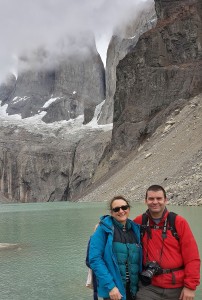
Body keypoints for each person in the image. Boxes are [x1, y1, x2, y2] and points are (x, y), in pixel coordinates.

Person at [134, 184, 201, 300]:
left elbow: (192, 257)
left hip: (177, 287)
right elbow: (121, 228)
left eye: (159, 198)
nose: (155, 202)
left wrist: (190, 287)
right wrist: (103, 226)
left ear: (165, 200)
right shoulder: (140, 221)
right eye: (151, 199)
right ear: (145, 201)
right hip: (149, 286)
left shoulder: (178, 222)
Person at [88, 195, 142, 300]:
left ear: (129, 208)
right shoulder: (103, 230)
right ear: (112, 213)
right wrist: (111, 287)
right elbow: (95, 259)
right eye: (116, 209)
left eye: (124, 207)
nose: (121, 211)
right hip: (114, 291)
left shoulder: (135, 229)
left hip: (133, 289)